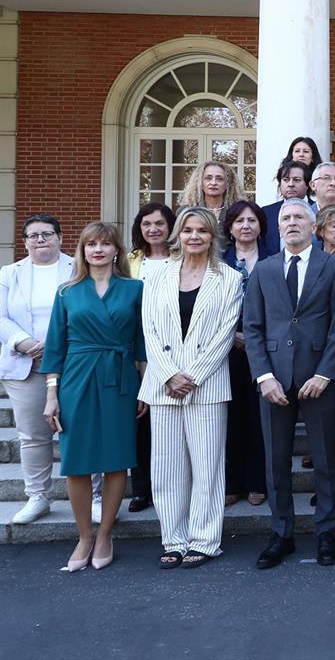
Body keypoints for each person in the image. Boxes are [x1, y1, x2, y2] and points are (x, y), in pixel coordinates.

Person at [243, 199, 335, 569]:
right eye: (286, 218)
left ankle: (326, 531)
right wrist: (264, 376)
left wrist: (325, 373)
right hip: (274, 378)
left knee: (324, 459)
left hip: (319, 376)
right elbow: (253, 328)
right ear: (278, 226)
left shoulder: (334, 268)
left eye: (299, 218)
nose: (291, 223)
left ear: (313, 226)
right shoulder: (264, 270)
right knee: (276, 463)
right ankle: (282, 533)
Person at [139, 207, 242, 568]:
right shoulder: (156, 276)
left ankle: (204, 539)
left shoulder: (229, 278)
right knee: (166, 468)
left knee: (207, 468)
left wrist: (192, 375)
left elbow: (225, 334)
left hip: (207, 384)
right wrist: (168, 373)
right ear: (177, 236)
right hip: (164, 386)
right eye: (187, 230)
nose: (194, 236)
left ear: (213, 236)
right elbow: (149, 331)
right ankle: (173, 538)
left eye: (202, 230)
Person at [41, 221, 147, 571]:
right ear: (82, 251)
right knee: (77, 461)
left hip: (119, 378)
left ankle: (105, 533)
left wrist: (144, 385)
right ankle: (84, 535)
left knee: (117, 458)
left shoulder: (135, 289)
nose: (98, 249)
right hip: (76, 378)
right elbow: (55, 347)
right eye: (91, 244)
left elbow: (142, 343)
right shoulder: (67, 292)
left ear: (118, 249)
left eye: (105, 243)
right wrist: (51, 395)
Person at [0, 215, 74, 525]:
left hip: (73, 363)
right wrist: (26, 343)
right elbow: (1, 317)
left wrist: (58, 347)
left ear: (59, 237)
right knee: (32, 435)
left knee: (83, 431)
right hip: (26, 363)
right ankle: (38, 496)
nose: (40, 240)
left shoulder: (77, 268)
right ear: (25, 241)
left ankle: (94, 496)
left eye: (46, 234)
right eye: (33, 235)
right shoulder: (10, 273)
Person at [127, 202, 177, 512]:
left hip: (174, 350)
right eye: (147, 224)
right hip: (137, 348)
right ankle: (141, 489)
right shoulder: (130, 261)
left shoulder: (181, 259)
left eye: (159, 223)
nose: (154, 229)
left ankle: (169, 487)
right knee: (141, 425)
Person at [221, 201, 269, 508]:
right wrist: (232, 335)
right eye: (239, 221)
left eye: (252, 220)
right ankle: (231, 482)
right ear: (230, 227)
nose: (246, 226)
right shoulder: (218, 262)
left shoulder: (273, 260)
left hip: (263, 350)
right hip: (226, 349)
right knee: (230, 418)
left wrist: (254, 338)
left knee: (258, 418)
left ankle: (257, 481)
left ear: (261, 226)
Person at [262, 160, 314, 253]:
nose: (290, 184)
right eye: (286, 180)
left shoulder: (318, 211)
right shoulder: (266, 213)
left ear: (308, 185)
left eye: (296, 180)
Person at [179, 161, 244, 224]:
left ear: (228, 184)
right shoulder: (186, 211)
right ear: (200, 182)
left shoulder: (238, 211)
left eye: (219, 179)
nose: (213, 183)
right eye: (208, 178)